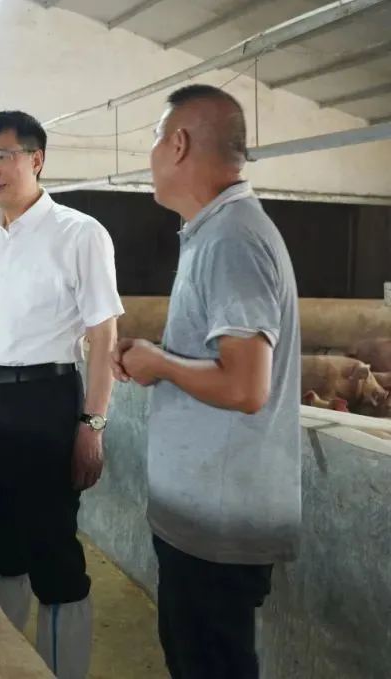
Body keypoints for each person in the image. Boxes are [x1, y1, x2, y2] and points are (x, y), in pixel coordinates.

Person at [112, 84, 301, 679]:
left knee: (210, 664)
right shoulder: (215, 231)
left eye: (153, 139)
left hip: (220, 520)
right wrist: (160, 358)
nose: (149, 156)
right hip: (204, 515)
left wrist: (162, 364)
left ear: (178, 144)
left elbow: (246, 387)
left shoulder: (232, 237)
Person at [0, 111, 123, 678]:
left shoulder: (79, 233)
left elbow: (103, 336)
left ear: (36, 158)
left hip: (44, 402)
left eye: (2, 156)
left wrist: (91, 425)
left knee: (53, 552)